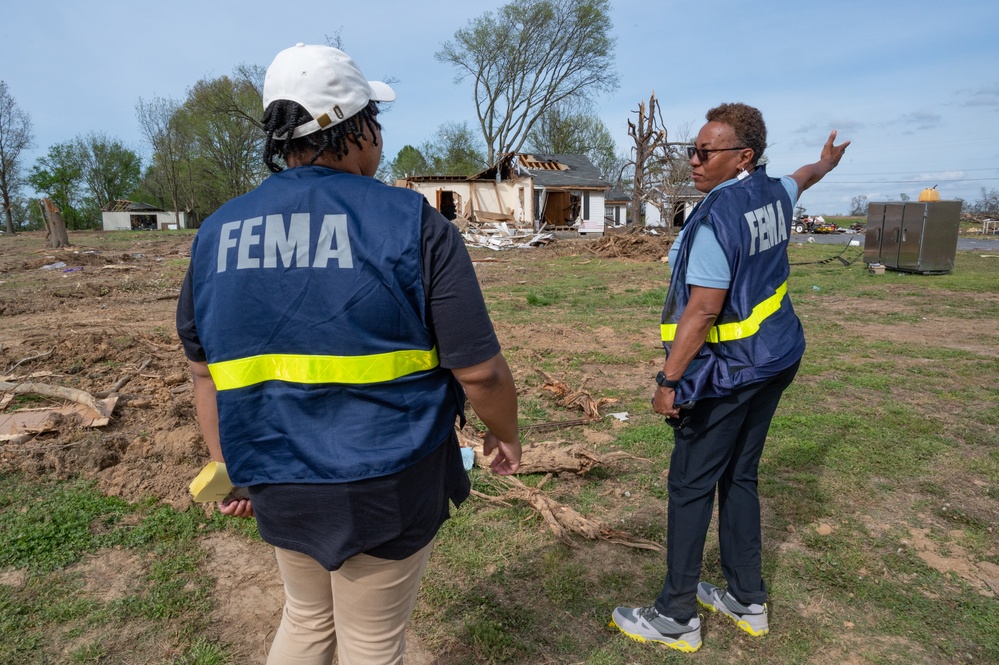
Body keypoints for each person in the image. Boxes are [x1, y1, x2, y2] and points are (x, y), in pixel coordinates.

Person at [176, 43, 521, 665]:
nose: (380, 140)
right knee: (371, 642)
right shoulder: (411, 221)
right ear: (349, 126)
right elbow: (481, 370)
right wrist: (507, 434)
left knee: (306, 619)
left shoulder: (216, 233)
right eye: (375, 122)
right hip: (386, 482)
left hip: (277, 476)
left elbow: (205, 373)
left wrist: (230, 466)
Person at [610, 103, 849, 653]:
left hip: (728, 371)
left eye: (704, 152)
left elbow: (701, 311)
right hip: (777, 356)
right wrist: (825, 164)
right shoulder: (772, 192)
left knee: (690, 486)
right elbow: (803, 177)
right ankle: (747, 598)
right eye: (691, 150)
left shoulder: (718, 217)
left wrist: (669, 381)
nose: (693, 160)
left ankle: (675, 616)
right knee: (740, 476)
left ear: (743, 156)